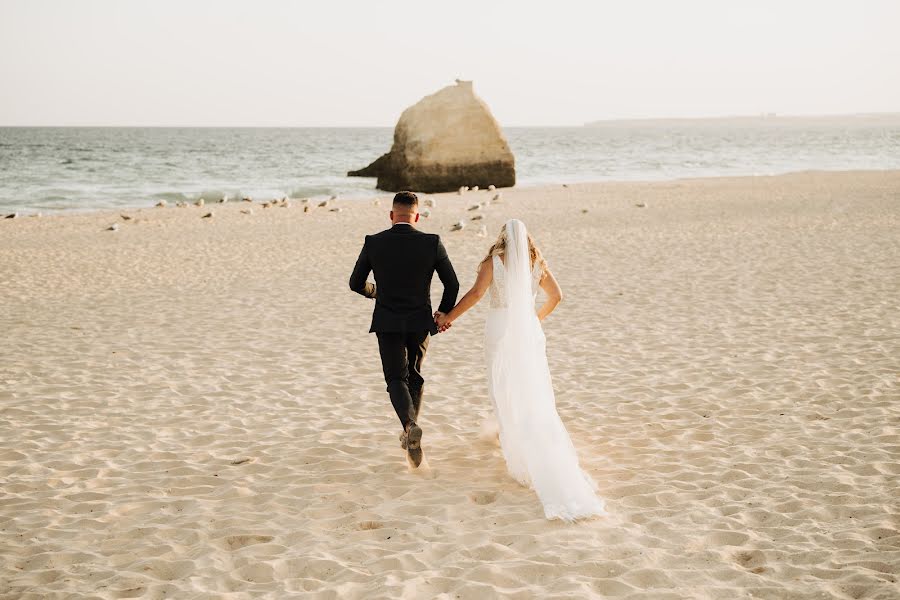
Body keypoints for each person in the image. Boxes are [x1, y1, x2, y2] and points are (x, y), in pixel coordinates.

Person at [436, 219, 606, 521]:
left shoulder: (493, 262)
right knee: (532, 387)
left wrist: (449, 316)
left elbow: (475, 295)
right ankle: (532, 443)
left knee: (503, 386)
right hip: (527, 330)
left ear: (503, 237)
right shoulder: (536, 262)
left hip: (500, 328)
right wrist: (535, 318)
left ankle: (515, 444)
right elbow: (557, 296)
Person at [349, 191, 459, 468]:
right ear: (417, 216)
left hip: (387, 320)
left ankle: (409, 426)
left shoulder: (374, 242)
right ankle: (411, 430)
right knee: (415, 376)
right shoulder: (431, 242)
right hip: (420, 321)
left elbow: (355, 282)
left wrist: (375, 292)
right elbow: (453, 283)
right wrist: (444, 311)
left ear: (391, 215)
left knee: (395, 379)